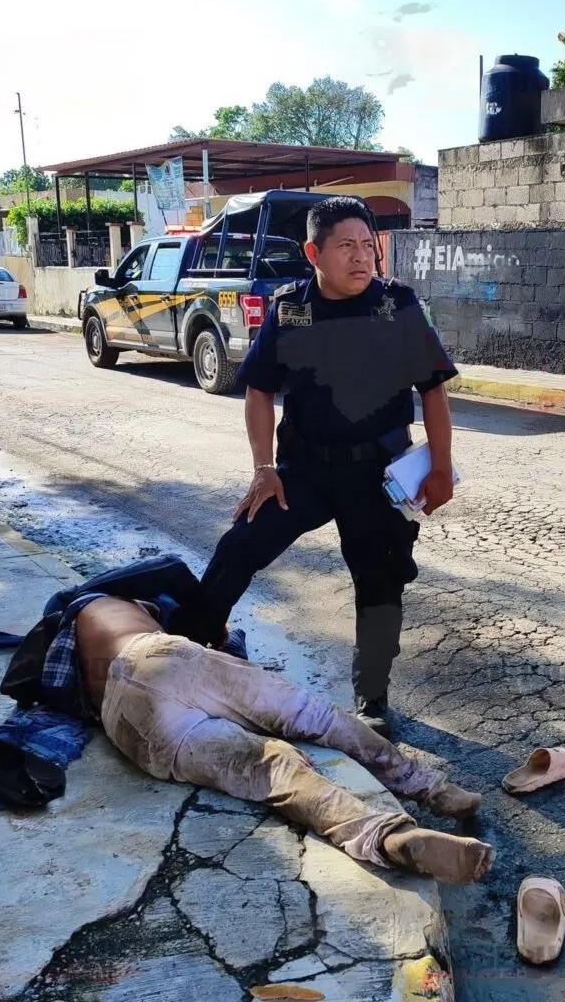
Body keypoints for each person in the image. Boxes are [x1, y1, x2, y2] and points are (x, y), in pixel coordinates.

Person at [200, 197, 458, 738]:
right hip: (306, 470)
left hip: (378, 476)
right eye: (347, 246)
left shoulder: (400, 306)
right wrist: (262, 468)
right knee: (241, 543)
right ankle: (196, 642)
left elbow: (432, 390)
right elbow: (259, 390)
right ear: (313, 252)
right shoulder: (291, 310)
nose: (362, 257)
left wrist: (440, 466)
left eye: (369, 245)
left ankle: (373, 696)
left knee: (380, 580)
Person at [75, 595, 494, 884]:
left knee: (270, 767)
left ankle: (385, 838)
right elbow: (211, 624)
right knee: (315, 717)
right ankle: (432, 789)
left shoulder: (69, 634)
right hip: (156, 655)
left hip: (125, 721)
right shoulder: (130, 595)